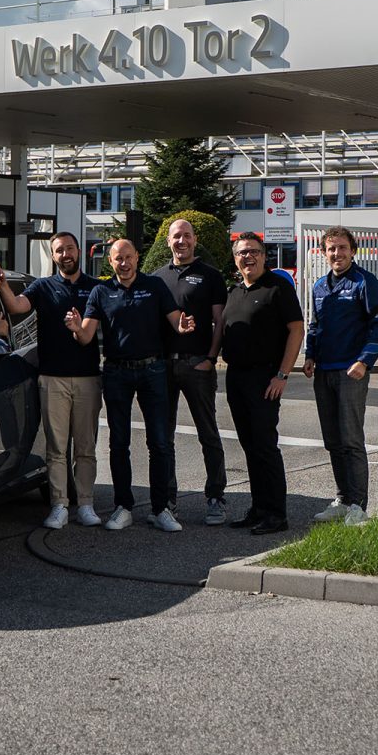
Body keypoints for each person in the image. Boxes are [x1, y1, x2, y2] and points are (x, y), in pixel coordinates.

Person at [65, 238, 195, 532]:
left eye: (128, 257)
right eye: (117, 259)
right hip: (116, 373)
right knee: (118, 442)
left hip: (152, 370)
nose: (123, 263)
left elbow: (176, 321)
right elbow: (86, 336)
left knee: (159, 442)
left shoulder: (155, 286)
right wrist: (75, 330)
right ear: (110, 262)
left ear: (138, 257)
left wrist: (183, 326)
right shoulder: (101, 291)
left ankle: (161, 509)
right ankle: (123, 506)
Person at [0, 234, 102, 530]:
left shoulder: (96, 288)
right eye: (58, 251)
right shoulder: (43, 287)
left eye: (69, 248)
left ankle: (86, 504)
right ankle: (59, 505)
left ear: (78, 251)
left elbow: (98, 330)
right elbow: (16, 306)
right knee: (56, 448)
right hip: (51, 378)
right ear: (53, 256)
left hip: (88, 379)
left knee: (86, 446)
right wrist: (2, 284)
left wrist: (79, 329)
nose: (65, 254)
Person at [301, 226, 378, 526]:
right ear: (323, 252)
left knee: (351, 440)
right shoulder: (319, 287)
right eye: (330, 249)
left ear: (353, 251)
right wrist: (310, 355)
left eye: (342, 248)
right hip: (324, 372)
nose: (336, 253)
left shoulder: (365, 282)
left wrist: (364, 361)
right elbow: (316, 326)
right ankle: (341, 499)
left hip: (351, 373)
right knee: (333, 441)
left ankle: (358, 506)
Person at [219, 232, 302, 535]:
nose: (248, 257)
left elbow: (296, 330)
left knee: (265, 446)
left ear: (264, 256)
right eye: (242, 253)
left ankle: (277, 514)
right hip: (236, 377)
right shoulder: (235, 290)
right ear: (235, 258)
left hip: (265, 377)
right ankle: (258, 508)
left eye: (254, 252)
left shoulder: (278, 288)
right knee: (250, 446)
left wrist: (282, 375)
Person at [155, 216, 229, 524]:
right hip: (163, 366)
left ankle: (215, 497)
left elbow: (220, 321)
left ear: (195, 240)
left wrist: (211, 358)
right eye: (176, 236)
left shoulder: (210, 276)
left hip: (197, 364)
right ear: (168, 241)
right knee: (163, 437)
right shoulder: (157, 277)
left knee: (208, 433)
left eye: (186, 235)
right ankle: (168, 500)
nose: (181, 241)